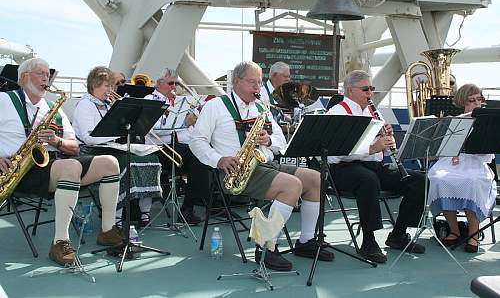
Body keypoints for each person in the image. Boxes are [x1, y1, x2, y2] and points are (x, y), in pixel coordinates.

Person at [190, 61, 334, 271]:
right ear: (236, 82)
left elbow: (281, 143)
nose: (258, 88)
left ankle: (306, 241)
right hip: (234, 172)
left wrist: (268, 141)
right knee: (292, 185)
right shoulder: (216, 106)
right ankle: (265, 247)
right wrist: (219, 160)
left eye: (259, 82)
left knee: (315, 178)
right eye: (252, 82)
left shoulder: (260, 108)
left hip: (264, 165)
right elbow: (197, 141)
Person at [0, 58, 123, 266]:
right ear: (23, 78)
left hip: (53, 164)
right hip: (18, 169)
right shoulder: (4, 100)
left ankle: (107, 230)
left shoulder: (52, 107)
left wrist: (56, 141)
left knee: (110, 162)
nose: (46, 79)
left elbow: (74, 146)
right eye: (40, 73)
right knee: (72, 166)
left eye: (48, 74)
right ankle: (60, 241)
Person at [327, 70, 426, 264]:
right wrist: (372, 148)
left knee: (419, 180)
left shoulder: (374, 112)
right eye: (366, 89)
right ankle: (369, 241)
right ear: (350, 90)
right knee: (368, 180)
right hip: (343, 169)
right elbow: (338, 153)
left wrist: (387, 142)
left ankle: (398, 234)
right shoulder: (337, 112)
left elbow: (383, 148)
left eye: (371, 89)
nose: (370, 93)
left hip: (373, 167)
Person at [72, 66, 163, 228]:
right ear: (94, 85)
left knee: (149, 159)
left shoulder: (107, 103)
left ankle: (145, 213)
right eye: (107, 86)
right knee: (122, 163)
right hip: (89, 150)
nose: (111, 90)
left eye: (112, 86)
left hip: (109, 148)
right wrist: (119, 132)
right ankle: (116, 218)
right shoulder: (85, 105)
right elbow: (90, 138)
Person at [427, 84, 496, 253]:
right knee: (439, 179)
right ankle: (454, 230)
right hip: (452, 162)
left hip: (476, 162)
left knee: (472, 181)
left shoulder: (489, 121)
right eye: (471, 101)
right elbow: (442, 149)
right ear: (462, 102)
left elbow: (488, 152)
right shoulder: (456, 120)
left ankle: (473, 234)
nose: (476, 104)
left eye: (479, 100)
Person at [144, 68, 207, 225]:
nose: (174, 87)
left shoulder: (178, 102)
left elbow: (187, 131)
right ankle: (188, 209)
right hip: (159, 148)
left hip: (177, 146)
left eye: (176, 83)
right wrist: (184, 123)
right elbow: (154, 128)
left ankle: (190, 207)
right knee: (197, 156)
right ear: (159, 83)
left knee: (203, 154)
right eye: (171, 83)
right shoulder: (150, 99)